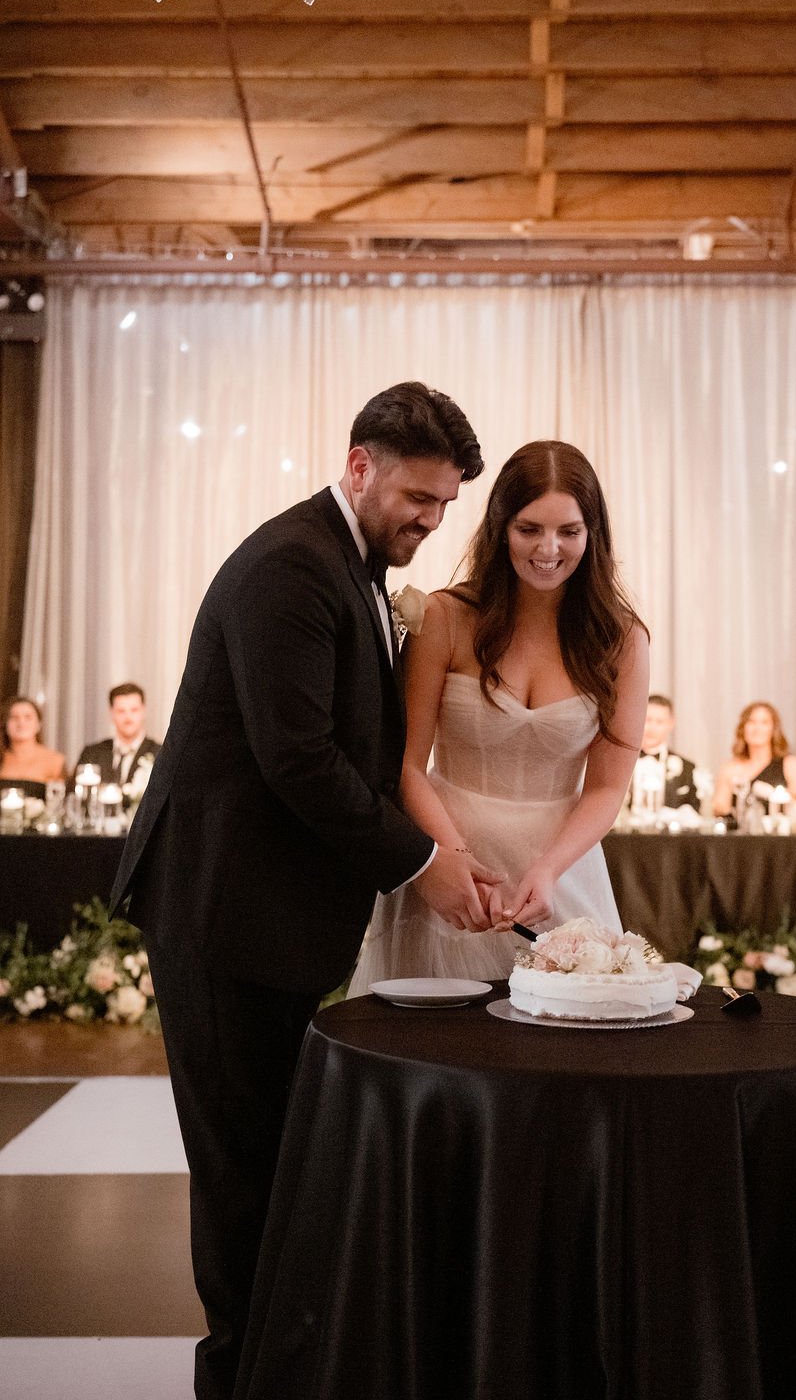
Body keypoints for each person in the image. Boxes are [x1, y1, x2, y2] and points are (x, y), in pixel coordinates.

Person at [109, 383, 500, 1400]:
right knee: (242, 1173)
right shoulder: (292, 566)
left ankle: (279, 1368)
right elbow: (299, 760)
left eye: (446, 505)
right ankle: (236, 1378)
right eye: (418, 497)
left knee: (279, 1161)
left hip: (266, 915)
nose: (429, 520)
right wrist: (423, 862)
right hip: (224, 914)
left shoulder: (349, 562)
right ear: (358, 465)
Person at [349, 438, 650, 989]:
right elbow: (407, 764)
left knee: (563, 1042)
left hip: (559, 870)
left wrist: (548, 869)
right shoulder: (444, 617)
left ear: (593, 535)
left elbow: (607, 789)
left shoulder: (622, 641)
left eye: (569, 531)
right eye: (529, 528)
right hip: (448, 861)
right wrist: (448, 860)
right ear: (500, 527)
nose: (548, 549)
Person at [711, 700, 796, 818]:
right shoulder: (730, 769)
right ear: (743, 728)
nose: (757, 728)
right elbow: (720, 810)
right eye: (751, 722)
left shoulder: (791, 765)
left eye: (764, 722)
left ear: (774, 729)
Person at [74, 681, 161, 787]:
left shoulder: (160, 755)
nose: (128, 718)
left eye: (134, 710)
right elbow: (72, 795)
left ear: (143, 712)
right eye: (121, 711)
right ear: (111, 714)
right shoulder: (92, 754)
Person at [626, 693, 699, 812]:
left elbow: (695, 810)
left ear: (670, 724)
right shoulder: (620, 763)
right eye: (647, 720)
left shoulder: (687, 768)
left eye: (659, 722)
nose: (652, 728)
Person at [0, 695, 65, 793]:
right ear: (6, 725)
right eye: (14, 718)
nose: (21, 723)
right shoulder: (2, 758)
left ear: (38, 724)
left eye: (28, 717)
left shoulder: (55, 761)